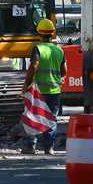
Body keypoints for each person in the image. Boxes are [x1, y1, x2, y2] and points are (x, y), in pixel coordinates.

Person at [22, 19, 67, 155]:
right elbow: (64, 71)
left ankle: (30, 146)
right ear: (52, 33)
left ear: (39, 33)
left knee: (33, 116)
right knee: (51, 119)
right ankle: (49, 148)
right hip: (54, 91)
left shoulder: (38, 49)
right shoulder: (59, 50)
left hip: (39, 91)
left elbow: (34, 66)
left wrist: (26, 84)